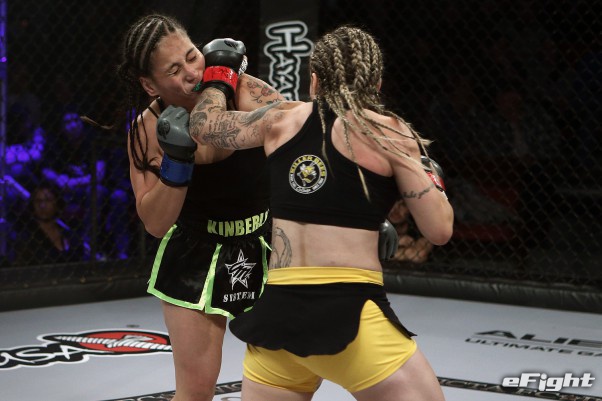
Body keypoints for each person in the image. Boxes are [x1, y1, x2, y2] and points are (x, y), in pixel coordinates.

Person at [184, 25, 454, 401]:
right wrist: (430, 178)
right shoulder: (390, 133)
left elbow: (204, 126)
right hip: (349, 318)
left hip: (276, 321)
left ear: (313, 81)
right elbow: (439, 230)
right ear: (377, 84)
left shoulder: (281, 120)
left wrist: (219, 77)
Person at [117, 14, 285, 401]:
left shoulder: (245, 92)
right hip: (195, 251)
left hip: (267, 243)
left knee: (282, 385)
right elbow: (156, 224)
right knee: (194, 391)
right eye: (174, 70)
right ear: (149, 85)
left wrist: (356, 216)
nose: (192, 73)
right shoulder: (147, 131)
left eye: (192, 56)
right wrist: (177, 164)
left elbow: (303, 142)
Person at [41, 108, 130, 259]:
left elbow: (99, 174)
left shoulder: (92, 141)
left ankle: (94, 244)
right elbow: (45, 170)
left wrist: (71, 181)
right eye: (67, 122)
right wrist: (58, 179)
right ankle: (86, 247)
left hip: (90, 189)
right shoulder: (57, 143)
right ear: (62, 126)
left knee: (99, 191)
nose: (72, 125)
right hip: (66, 192)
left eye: (75, 120)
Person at [13, 181, 85, 266]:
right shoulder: (27, 237)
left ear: (56, 203)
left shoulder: (69, 235)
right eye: (38, 201)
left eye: (48, 200)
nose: (42, 206)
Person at [388, 200, 434, 264]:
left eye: (403, 205)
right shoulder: (379, 224)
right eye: (392, 203)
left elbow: (418, 255)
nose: (396, 209)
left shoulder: (421, 229)